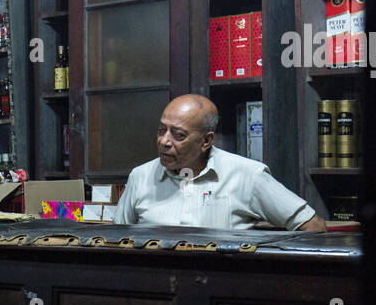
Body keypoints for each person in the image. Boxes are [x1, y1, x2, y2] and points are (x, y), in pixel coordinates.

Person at [113, 94, 327, 231]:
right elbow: (113, 240)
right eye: (161, 130)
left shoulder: (248, 176)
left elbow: (313, 227)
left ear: (206, 141)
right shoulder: (140, 177)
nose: (164, 141)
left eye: (178, 135)